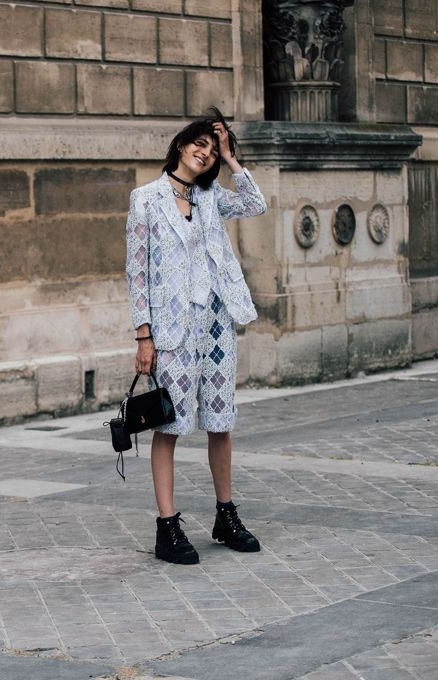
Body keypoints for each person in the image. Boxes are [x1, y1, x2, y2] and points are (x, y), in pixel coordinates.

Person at [125, 107, 267, 565]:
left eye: (212, 147)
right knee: (169, 424)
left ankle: (226, 515)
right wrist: (143, 337)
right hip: (171, 331)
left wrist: (231, 158)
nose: (204, 153)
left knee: (221, 421)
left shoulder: (212, 197)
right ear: (181, 146)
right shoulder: (145, 199)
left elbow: (255, 204)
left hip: (216, 325)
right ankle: (167, 527)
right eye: (199, 144)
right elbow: (137, 273)